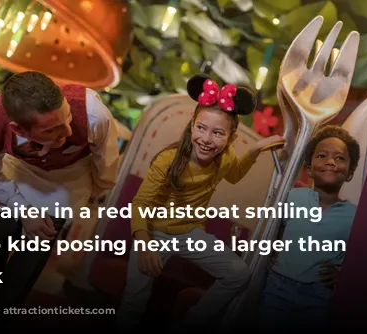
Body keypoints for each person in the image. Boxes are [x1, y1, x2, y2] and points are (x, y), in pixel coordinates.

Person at [115, 74, 285, 332]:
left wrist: (255, 149)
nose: (206, 139)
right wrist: (145, 244)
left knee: (239, 274)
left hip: (190, 233)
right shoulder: (169, 160)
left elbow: (236, 175)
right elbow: (140, 204)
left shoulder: (225, 157)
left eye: (218, 133)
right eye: (201, 128)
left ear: (230, 137)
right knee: (133, 301)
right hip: (153, 233)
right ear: (192, 125)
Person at [0, 71, 120, 326]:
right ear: (18, 128)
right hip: (20, 175)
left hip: (69, 180)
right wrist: (24, 210)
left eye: (67, 118)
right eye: (53, 129)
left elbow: (106, 161)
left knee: (31, 252)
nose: (67, 130)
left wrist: (95, 190)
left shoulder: (93, 113)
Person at [259, 125, 361, 331]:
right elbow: (272, 233)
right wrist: (269, 256)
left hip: (319, 296)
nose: (330, 162)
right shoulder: (292, 197)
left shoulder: (355, 215)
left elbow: (361, 259)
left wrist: (342, 275)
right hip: (278, 287)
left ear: (350, 172)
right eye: (322, 156)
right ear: (309, 167)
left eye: (340, 158)